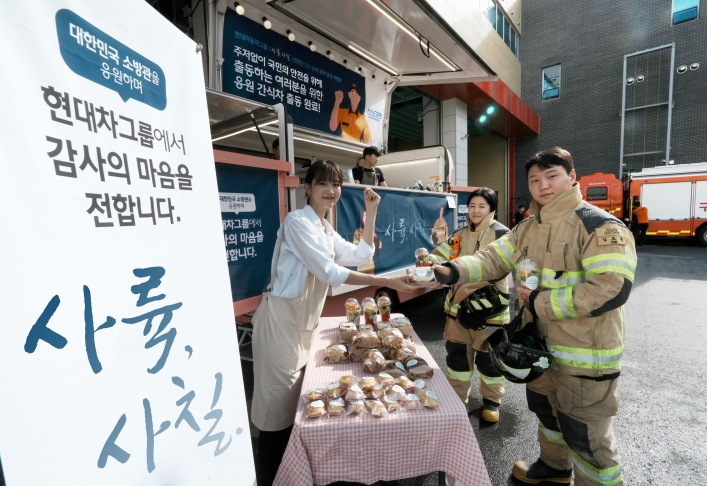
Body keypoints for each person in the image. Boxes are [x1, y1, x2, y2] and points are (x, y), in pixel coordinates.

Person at [434, 147, 636, 486]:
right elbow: (491, 260)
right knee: (547, 415)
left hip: (586, 357)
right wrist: (451, 270)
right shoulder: (527, 228)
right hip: (538, 348)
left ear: (572, 177)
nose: (543, 185)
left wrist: (539, 302)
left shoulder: (598, 226)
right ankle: (554, 468)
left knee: (587, 439)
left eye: (552, 175)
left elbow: (610, 289)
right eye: (535, 179)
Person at [250, 160, 415, 486]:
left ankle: (294, 474)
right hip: (281, 323)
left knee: (297, 407)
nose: (331, 190)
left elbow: (361, 255)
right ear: (307, 188)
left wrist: (371, 213)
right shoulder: (298, 222)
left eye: (336, 184)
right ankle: (269, 477)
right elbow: (329, 272)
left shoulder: (325, 228)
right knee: (275, 412)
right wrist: (392, 282)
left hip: (302, 323)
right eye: (323, 183)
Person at [429, 188, 511, 424]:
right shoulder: (459, 234)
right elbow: (441, 254)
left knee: (490, 360)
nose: (476, 211)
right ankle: (457, 400)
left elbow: (505, 266)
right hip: (457, 312)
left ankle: (492, 402)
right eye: (472, 206)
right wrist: (432, 260)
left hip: (490, 312)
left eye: (481, 206)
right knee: (457, 359)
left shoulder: (502, 234)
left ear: (491, 209)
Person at [353, 209, 382, 274]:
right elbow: (355, 249)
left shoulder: (373, 232)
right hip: (361, 269)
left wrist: (377, 243)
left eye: (367, 216)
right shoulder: (358, 232)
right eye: (364, 216)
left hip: (371, 267)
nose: (365, 218)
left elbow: (379, 247)